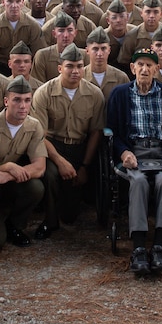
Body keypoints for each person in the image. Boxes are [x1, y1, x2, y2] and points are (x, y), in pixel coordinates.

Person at [106, 46, 162, 274]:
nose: (144, 69)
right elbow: (113, 131)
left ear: (157, 69)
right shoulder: (120, 94)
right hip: (133, 152)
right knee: (138, 181)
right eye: (140, 64)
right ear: (132, 68)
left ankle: (160, 244)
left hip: (161, 151)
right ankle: (139, 247)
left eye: (149, 65)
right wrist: (123, 153)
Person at [31, 44, 105, 239]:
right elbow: (40, 134)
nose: (75, 71)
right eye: (70, 66)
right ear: (60, 68)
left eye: (80, 66)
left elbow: (96, 132)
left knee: (71, 215)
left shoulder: (94, 94)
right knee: (51, 175)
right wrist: (59, 161)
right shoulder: (44, 93)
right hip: (52, 145)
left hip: (80, 147)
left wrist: (84, 166)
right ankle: (50, 220)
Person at [0, 76, 47, 250]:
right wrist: (7, 167)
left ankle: (15, 225)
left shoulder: (34, 126)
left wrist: (7, 175)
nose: (23, 106)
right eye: (17, 100)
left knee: (36, 188)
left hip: (8, 182)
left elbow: (40, 167)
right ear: (6, 101)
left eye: (27, 100)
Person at [0, 0, 46, 75]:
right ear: (3, 2)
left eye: (18, 1)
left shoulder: (32, 25)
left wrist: (30, 78)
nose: (14, 6)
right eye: (10, 1)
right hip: (1, 69)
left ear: (23, 2)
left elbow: (38, 56)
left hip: (26, 69)